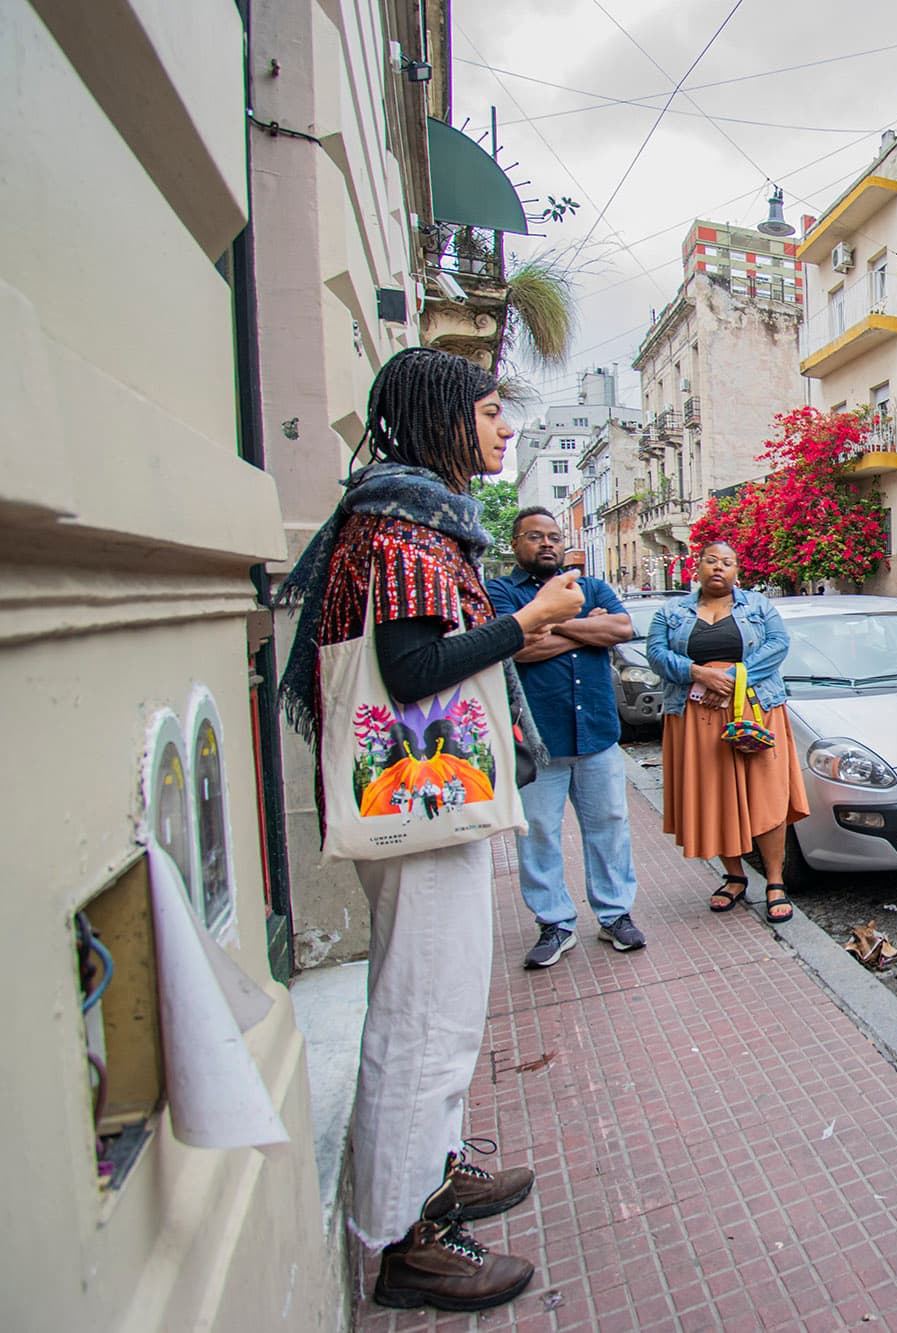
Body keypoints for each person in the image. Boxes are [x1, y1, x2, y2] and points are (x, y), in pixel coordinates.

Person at [277, 347, 584, 1310]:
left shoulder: (408, 516)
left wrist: (513, 631)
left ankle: (433, 1174)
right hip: (417, 800)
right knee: (423, 1016)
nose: (503, 430)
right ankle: (407, 1239)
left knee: (439, 1005)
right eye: (490, 412)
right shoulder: (403, 524)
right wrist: (526, 618)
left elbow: (425, 653)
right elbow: (413, 671)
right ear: (440, 421)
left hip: (426, 797)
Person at [487, 509, 645, 969]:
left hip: (596, 732)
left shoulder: (592, 588)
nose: (547, 544)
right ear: (516, 543)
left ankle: (615, 914)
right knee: (538, 834)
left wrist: (550, 626)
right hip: (539, 740)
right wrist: (583, 632)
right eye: (535, 536)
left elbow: (620, 629)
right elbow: (517, 645)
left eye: (554, 536)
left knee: (610, 825)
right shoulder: (500, 591)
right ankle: (554, 922)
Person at [645, 542, 809, 922]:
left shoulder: (758, 606)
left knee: (766, 795)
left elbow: (778, 645)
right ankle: (735, 877)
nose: (719, 568)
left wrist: (733, 677)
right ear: (697, 566)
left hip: (755, 709)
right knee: (714, 796)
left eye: (728, 562)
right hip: (695, 714)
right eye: (711, 561)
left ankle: (774, 881)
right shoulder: (670, 612)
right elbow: (656, 654)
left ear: (738, 571)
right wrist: (698, 673)